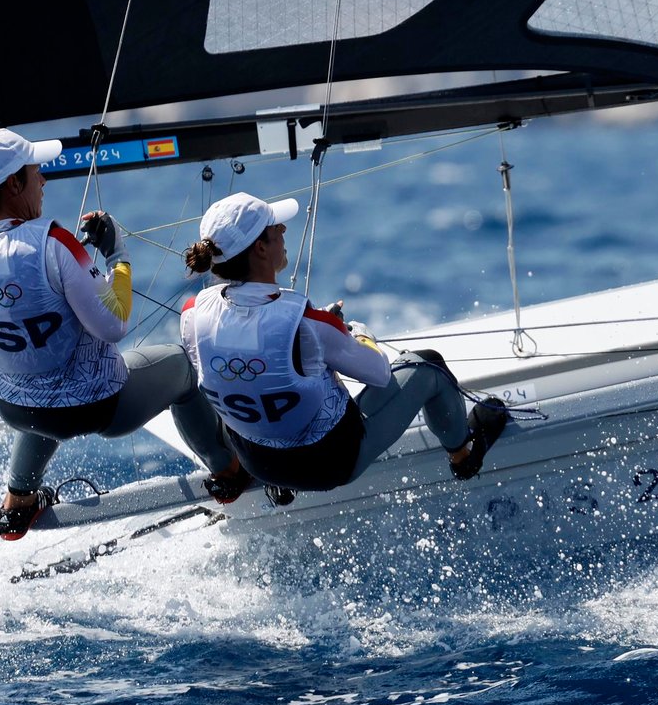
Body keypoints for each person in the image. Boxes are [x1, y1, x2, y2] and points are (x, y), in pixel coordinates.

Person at [0, 128, 238, 540]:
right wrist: (117, 256)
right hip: (98, 407)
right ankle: (228, 471)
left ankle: (18, 502)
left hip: (15, 408)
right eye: (37, 172)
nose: (45, 181)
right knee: (182, 368)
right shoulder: (55, 242)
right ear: (15, 184)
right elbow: (114, 324)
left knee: (39, 389)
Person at [179, 191, 508, 492]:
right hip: (327, 466)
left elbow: (248, 360)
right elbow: (378, 374)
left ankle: (258, 481)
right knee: (429, 365)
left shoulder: (192, 315)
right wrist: (358, 334)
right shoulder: (309, 324)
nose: (284, 231)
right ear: (261, 248)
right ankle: (464, 456)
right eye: (275, 227)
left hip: (257, 461)